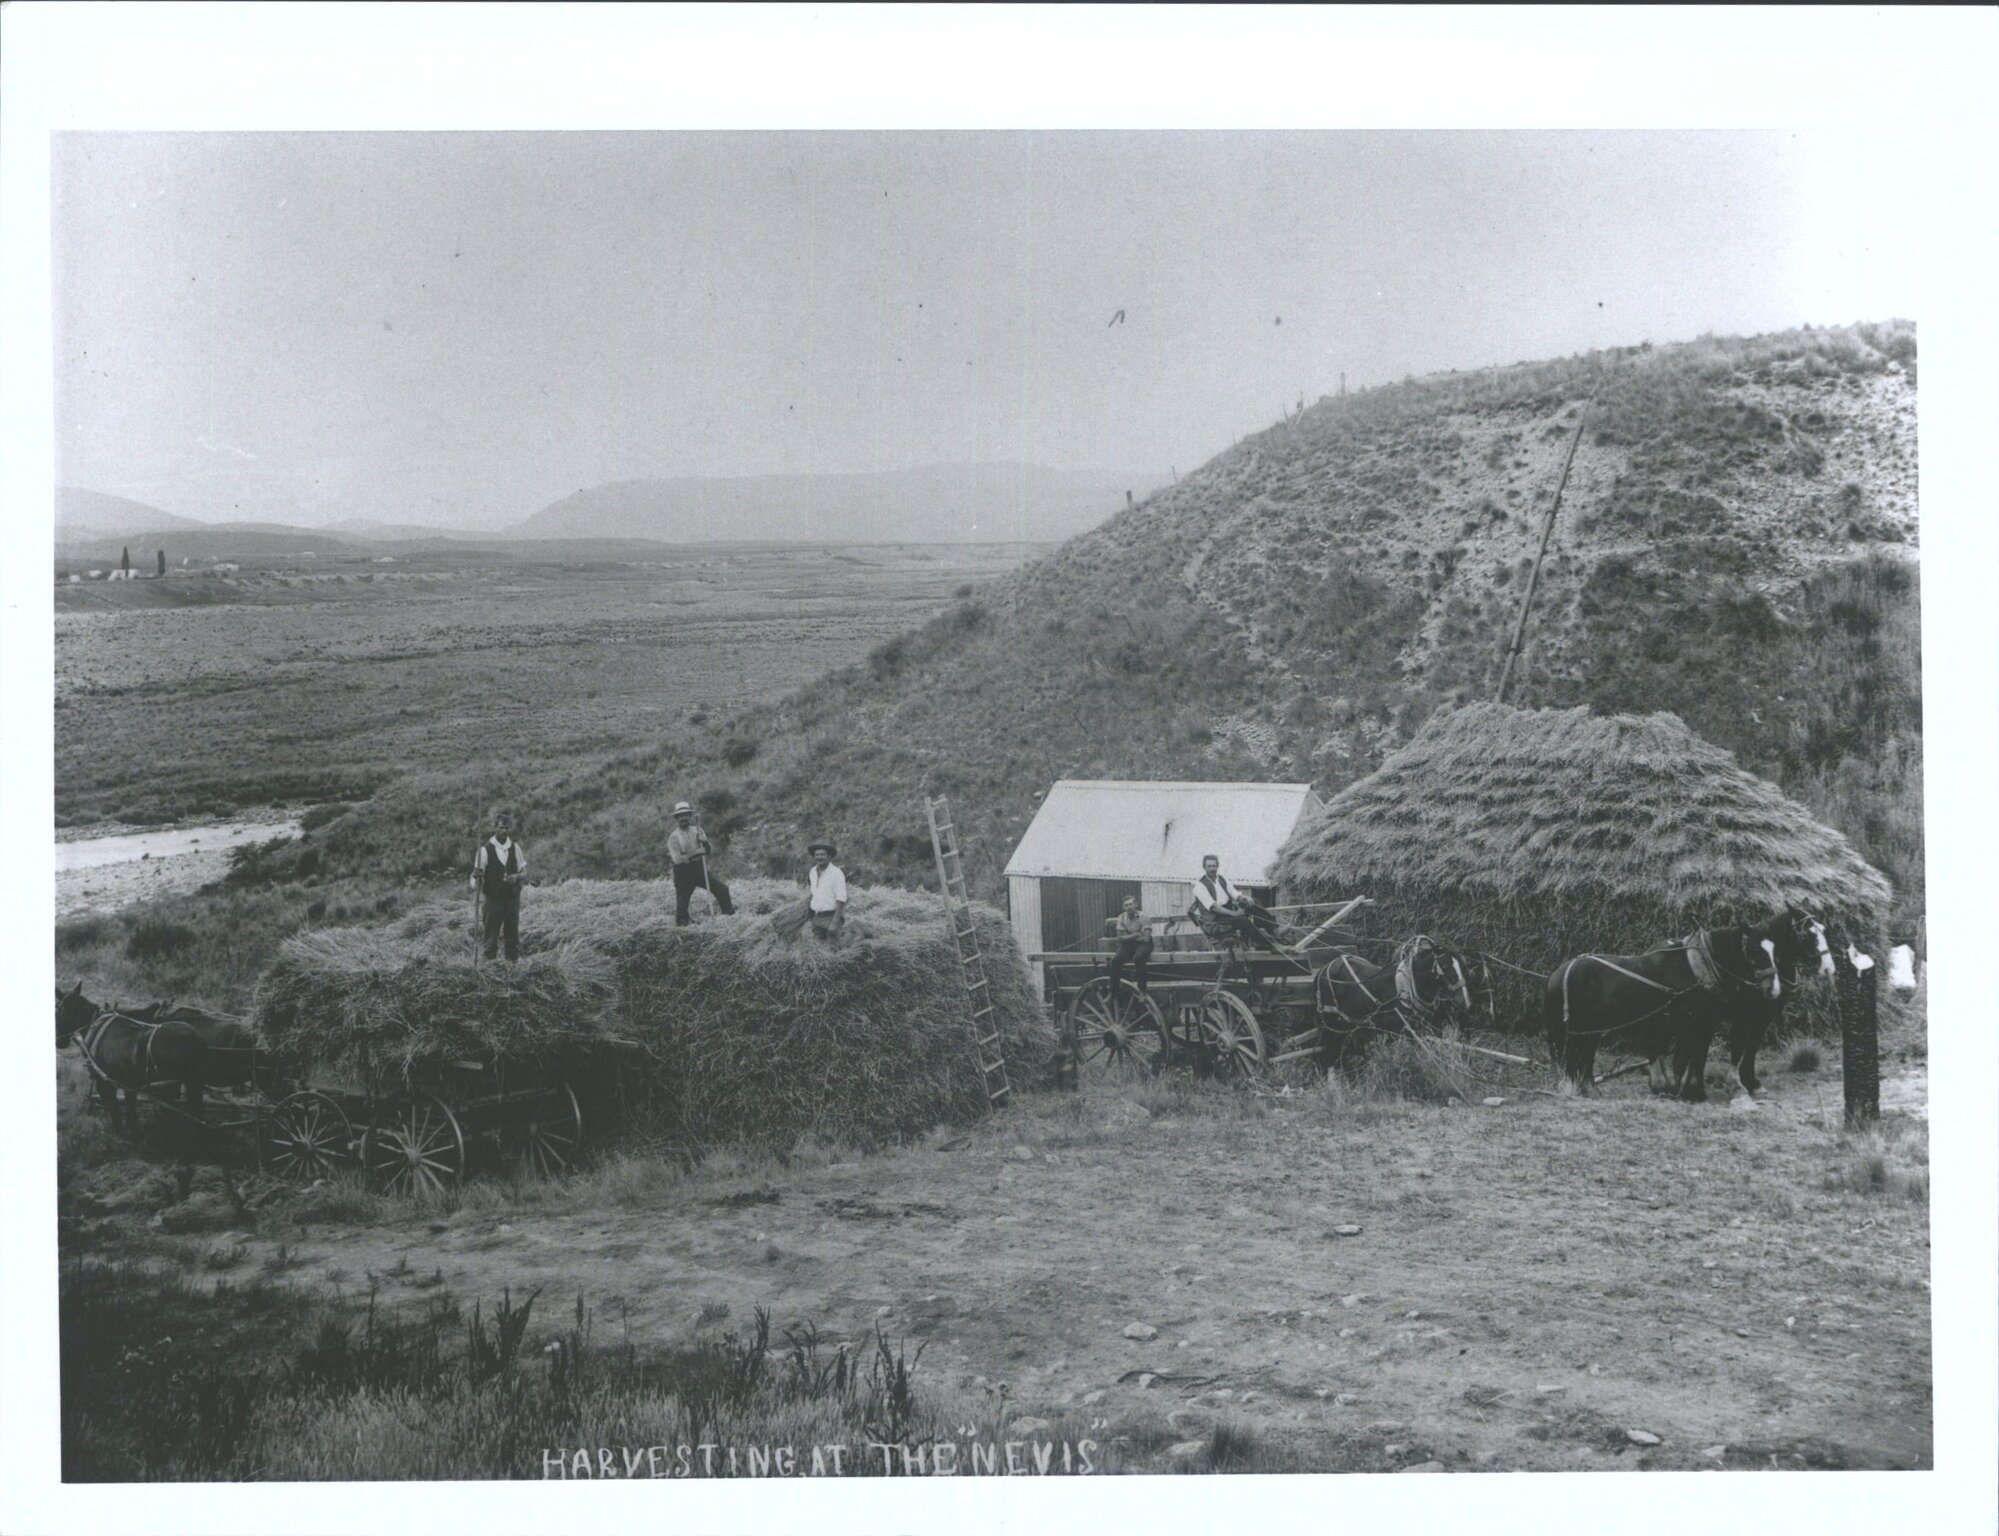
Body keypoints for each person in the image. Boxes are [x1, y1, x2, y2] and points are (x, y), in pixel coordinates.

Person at [1188, 853, 1284, 954]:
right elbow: (1214, 907)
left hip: (1227, 913)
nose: (1212, 869)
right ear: (1204, 867)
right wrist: (1234, 914)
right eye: (1209, 866)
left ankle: (1275, 930)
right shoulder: (1200, 886)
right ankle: (1271, 946)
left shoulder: (1222, 879)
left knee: (1252, 903)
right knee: (1242, 920)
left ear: (1217, 866)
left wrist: (1244, 898)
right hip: (1215, 919)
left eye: (1214, 866)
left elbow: (1234, 893)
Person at [471, 807, 528, 961]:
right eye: (501, 827)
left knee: (512, 937)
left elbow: (524, 873)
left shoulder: (515, 848)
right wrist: (477, 879)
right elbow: (476, 878)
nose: (504, 831)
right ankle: (490, 969)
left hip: (512, 900)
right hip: (493, 900)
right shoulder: (484, 851)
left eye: (507, 828)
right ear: (495, 827)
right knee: (491, 938)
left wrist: (516, 876)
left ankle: (512, 968)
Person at [668, 800, 734, 926]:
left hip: (699, 868)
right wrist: (698, 852)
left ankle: (729, 918)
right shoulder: (673, 837)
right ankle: (682, 927)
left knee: (722, 890)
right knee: (682, 903)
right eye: (680, 816)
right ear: (676, 818)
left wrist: (705, 842)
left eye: (685, 815)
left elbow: (708, 851)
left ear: (689, 816)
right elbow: (678, 860)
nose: (683, 818)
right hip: (683, 872)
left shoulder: (698, 830)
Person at [1104, 895, 1153, 997]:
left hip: (1144, 944)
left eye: (1131, 904)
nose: (1129, 907)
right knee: (1115, 960)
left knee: (1138, 958)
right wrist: (1135, 935)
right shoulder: (1121, 918)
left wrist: (1128, 936)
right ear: (1123, 907)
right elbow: (1120, 938)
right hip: (1130, 944)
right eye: (1126, 905)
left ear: (1136, 905)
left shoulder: (1144, 917)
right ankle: (1113, 992)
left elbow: (1146, 938)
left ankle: (1142, 990)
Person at [806, 839, 847, 943]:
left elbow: (841, 899)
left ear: (829, 856)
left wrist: (834, 923)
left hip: (831, 917)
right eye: (817, 855)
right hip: (816, 918)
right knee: (817, 948)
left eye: (822, 854)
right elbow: (814, 893)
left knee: (832, 949)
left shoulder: (836, 873)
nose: (819, 857)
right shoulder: (812, 872)